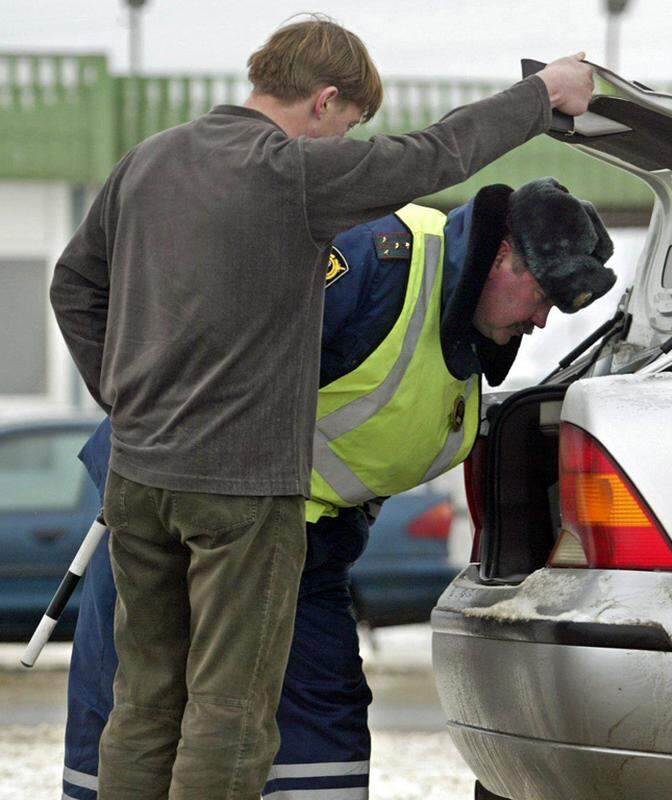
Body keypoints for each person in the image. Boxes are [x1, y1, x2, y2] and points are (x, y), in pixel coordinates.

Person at [48, 13, 594, 799]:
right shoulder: (294, 173)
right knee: (230, 713)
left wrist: (125, 398)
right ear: (324, 101)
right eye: (347, 126)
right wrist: (542, 94)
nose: (343, 141)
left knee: (142, 700)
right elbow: (440, 151)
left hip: (137, 478)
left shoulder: (150, 160)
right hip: (240, 493)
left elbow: (75, 283)